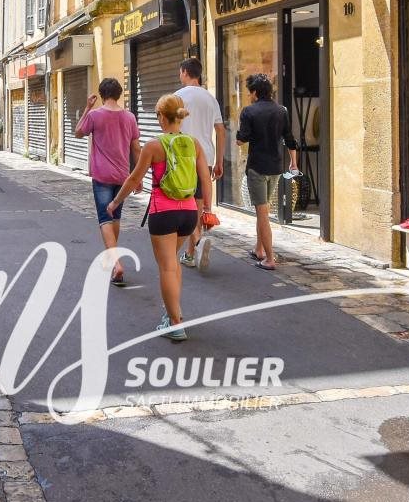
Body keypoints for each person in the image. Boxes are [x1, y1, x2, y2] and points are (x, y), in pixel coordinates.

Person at [107, 95, 211, 342]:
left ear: (162, 117)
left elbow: (133, 179)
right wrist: (207, 209)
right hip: (188, 213)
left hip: (163, 213)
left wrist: (115, 202)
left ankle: (175, 324)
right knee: (172, 263)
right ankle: (174, 312)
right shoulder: (194, 143)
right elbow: (205, 179)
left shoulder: (154, 146)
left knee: (166, 266)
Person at [74, 77, 141, 287]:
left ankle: (116, 263)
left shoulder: (95, 115)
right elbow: (136, 148)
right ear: (119, 94)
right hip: (123, 176)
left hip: (102, 175)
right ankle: (112, 258)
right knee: (116, 217)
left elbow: (78, 133)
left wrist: (87, 107)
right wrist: (137, 177)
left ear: (102, 95)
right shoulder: (129, 117)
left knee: (104, 218)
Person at [235, 72, 299, 271]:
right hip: (276, 167)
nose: (249, 95)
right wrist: (294, 163)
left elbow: (241, 139)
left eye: (249, 92)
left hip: (257, 168)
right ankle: (259, 249)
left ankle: (269, 258)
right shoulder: (282, 111)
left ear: (254, 92)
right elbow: (289, 138)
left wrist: (242, 133)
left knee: (262, 213)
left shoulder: (248, 111)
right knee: (263, 210)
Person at [174, 57, 226, 272]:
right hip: (206, 156)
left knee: (185, 205)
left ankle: (195, 243)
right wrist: (219, 161)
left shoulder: (178, 97)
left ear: (185, 72)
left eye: (180, 72)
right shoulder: (210, 98)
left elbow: (171, 127)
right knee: (198, 205)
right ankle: (192, 252)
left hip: (184, 156)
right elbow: (221, 130)